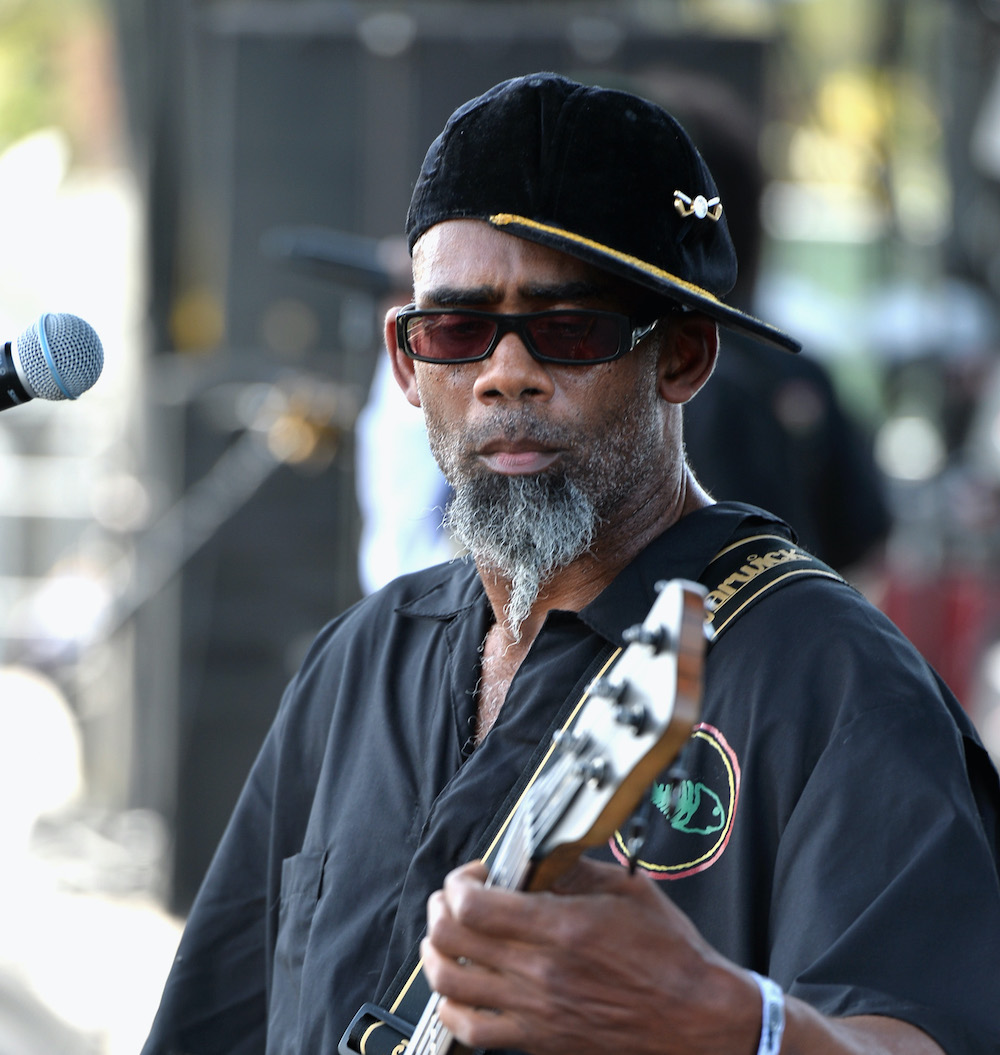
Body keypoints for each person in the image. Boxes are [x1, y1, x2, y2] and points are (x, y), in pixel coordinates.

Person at [141, 73, 1000, 1055]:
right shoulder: (359, 659)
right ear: (406, 363)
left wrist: (731, 1023)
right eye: (457, 329)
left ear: (683, 356)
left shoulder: (834, 680)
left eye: (568, 330)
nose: (504, 373)